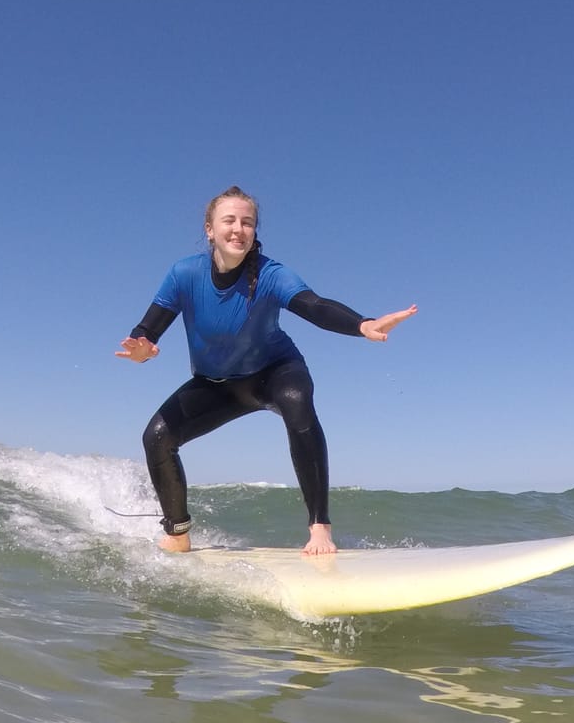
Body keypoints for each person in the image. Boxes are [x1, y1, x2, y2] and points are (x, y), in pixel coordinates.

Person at [116, 186, 417, 556]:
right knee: (157, 436)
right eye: (229, 220)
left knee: (298, 405)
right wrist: (142, 350)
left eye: (248, 222)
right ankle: (178, 532)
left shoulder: (271, 274)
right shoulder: (184, 274)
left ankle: (319, 527)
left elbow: (314, 305)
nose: (238, 229)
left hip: (273, 373)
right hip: (216, 385)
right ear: (209, 229)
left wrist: (362, 324)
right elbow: (147, 330)